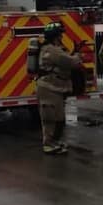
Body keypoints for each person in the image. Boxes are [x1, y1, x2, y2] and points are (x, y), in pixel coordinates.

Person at [35, 23, 81, 155]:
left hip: (54, 88)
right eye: (60, 34)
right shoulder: (52, 50)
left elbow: (64, 60)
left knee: (58, 118)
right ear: (55, 36)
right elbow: (72, 62)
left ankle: (54, 142)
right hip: (49, 89)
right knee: (51, 119)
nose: (62, 36)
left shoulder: (51, 49)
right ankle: (48, 145)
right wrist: (77, 54)